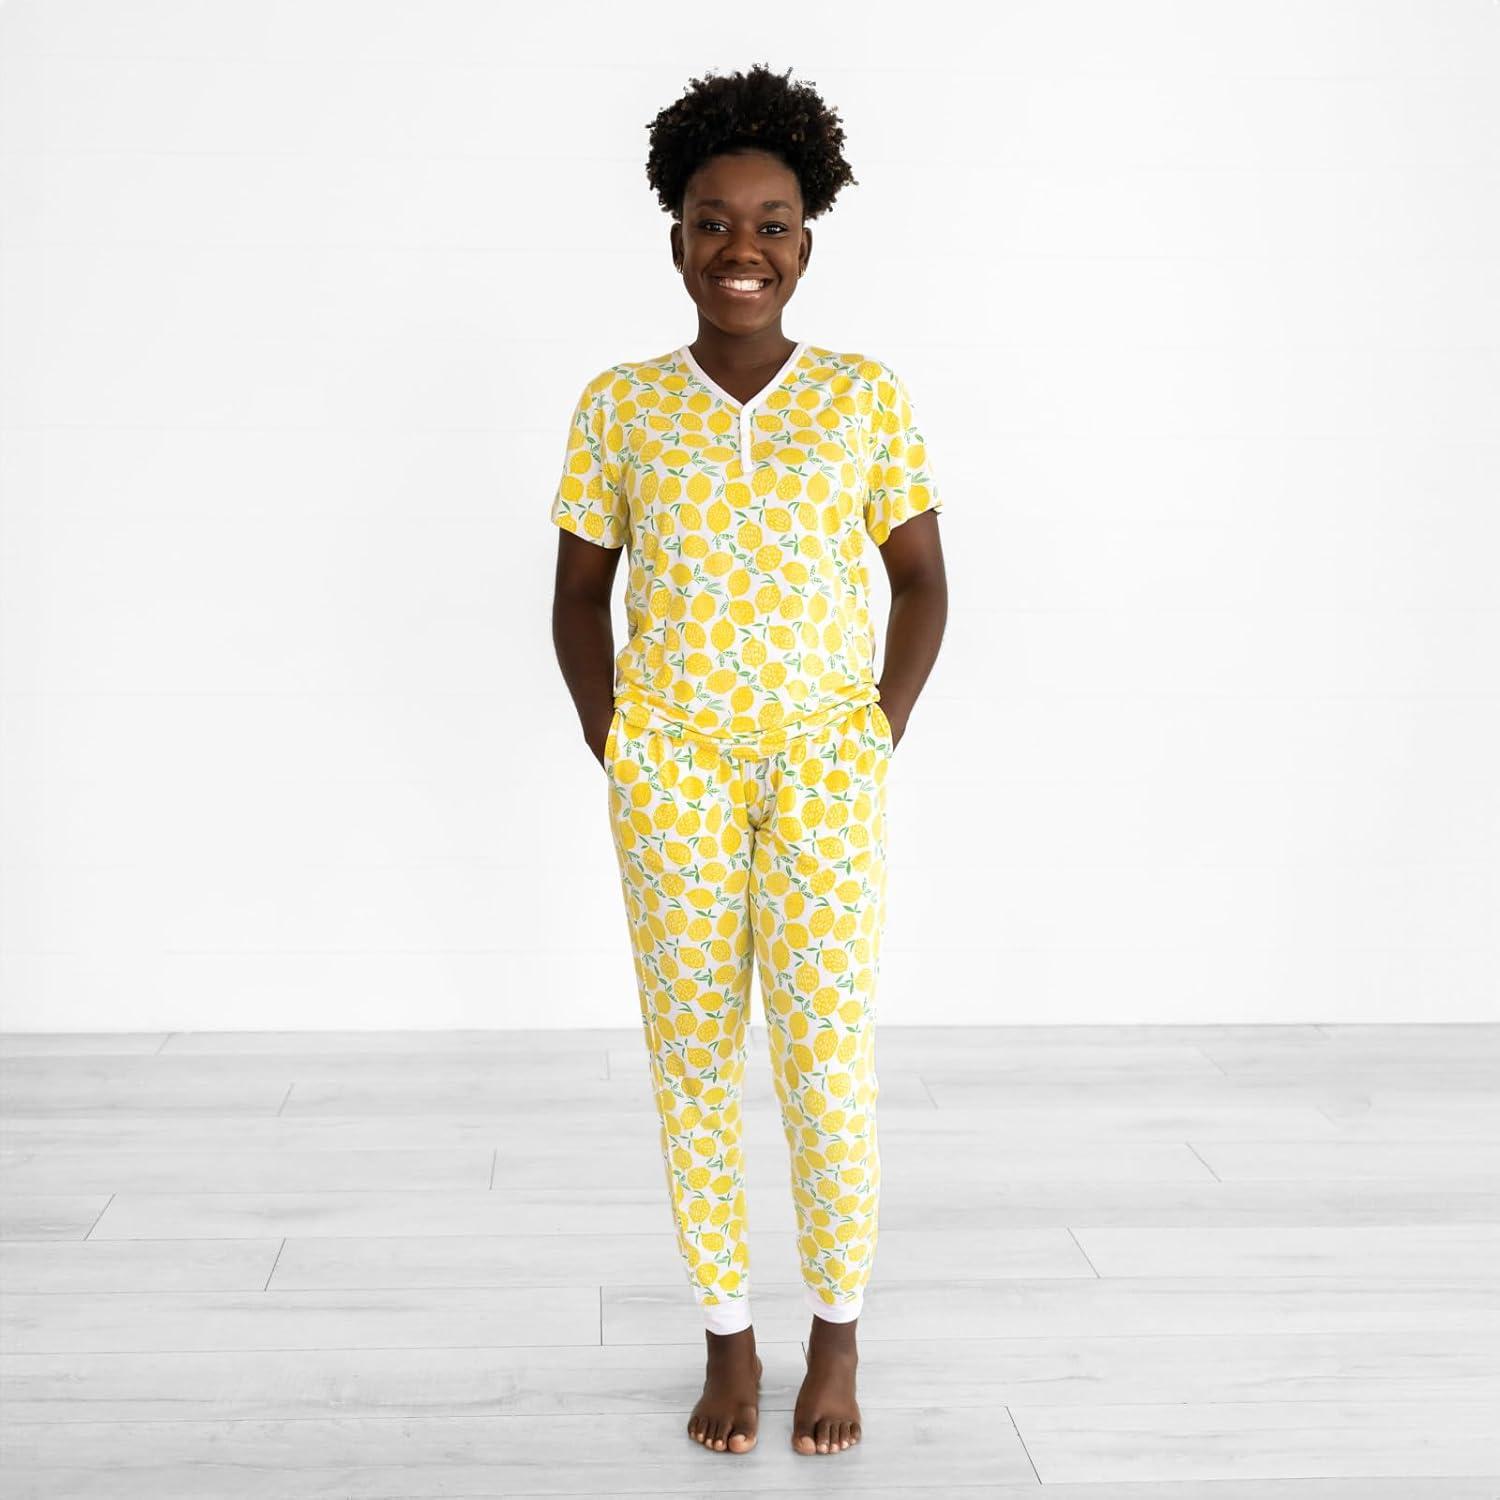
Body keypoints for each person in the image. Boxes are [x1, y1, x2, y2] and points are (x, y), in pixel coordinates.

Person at [549, 62, 948, 1458]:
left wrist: (877, 726)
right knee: (692, 1057)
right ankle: (728, 1332)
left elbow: (921, 582)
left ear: (806, 243)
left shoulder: (861, 398)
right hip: (673, 770)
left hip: (825, 766)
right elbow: (577, 596)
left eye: (771, 224)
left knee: (826, 1055)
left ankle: (838, 1327)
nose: (742, 249)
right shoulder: (621, 406)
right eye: (713, 222)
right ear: (675, 237)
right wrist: (618, 739)